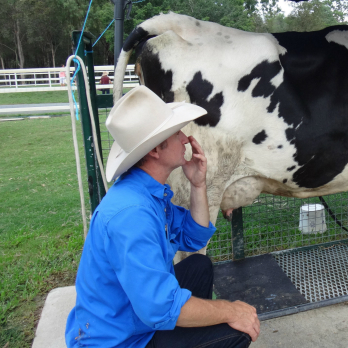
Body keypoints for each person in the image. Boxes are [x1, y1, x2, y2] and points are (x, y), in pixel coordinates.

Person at [65, 86, 260, 348]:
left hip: (133, 316)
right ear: (156, 150)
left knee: (198, 267)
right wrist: (231, 310)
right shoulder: (132, 215)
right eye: (175, 132)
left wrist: (198, 185)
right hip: (119, 341)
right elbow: (160, 308)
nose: (184, 138)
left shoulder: (146, 192)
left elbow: (194, 236)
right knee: (235, 332)